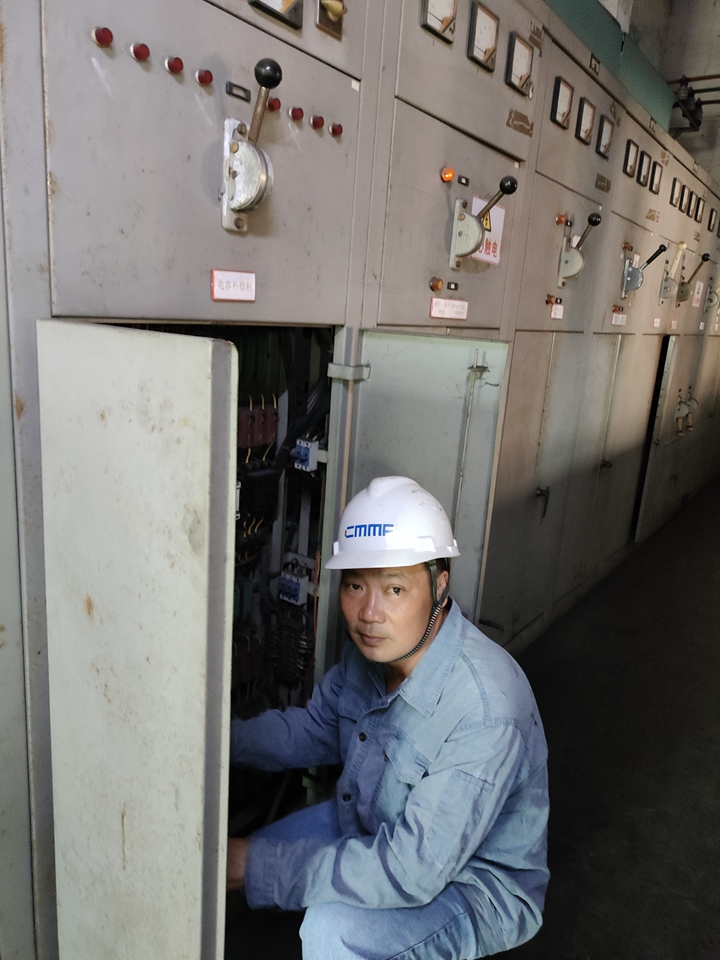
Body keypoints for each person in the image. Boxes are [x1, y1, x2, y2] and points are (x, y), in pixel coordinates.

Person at [228, 476, 549, 960]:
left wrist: (256, 866)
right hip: (374, 821)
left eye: (395, 589)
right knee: (251, 852)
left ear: (440, 586)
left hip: (473, 884)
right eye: (355, 585)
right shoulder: (374, 652)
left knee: (331, 931)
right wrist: (211, 741)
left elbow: (412, 869)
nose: (368, 613)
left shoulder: (485, 709)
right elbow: (313, 730)